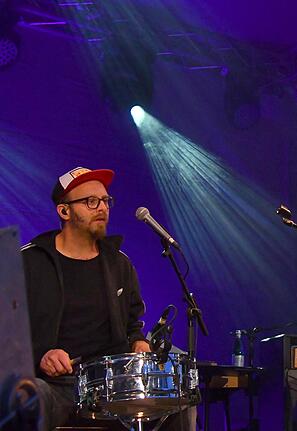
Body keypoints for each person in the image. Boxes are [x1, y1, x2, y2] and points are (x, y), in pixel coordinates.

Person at [22, 167, 191, 430]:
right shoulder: (28, 262)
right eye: (91, 201)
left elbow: (133, 322)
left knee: (176, 391)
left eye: (105, 201)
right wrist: (40, 356)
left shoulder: (119, 264)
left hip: (111, 384)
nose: (102, 207)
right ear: (64, 211)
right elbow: (7, 336)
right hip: (55, 385)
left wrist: (138, 341)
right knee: (27, 397)